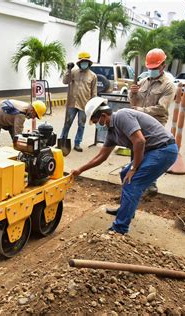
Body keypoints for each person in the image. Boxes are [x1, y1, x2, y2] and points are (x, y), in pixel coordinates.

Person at [70, 97, 178, 234]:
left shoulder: (122, 115)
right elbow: (101, 157)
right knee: (124, 174)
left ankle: (120, 229)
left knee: (132, 182)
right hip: (152, 151)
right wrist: (80, 170)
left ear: (103, 115)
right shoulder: (111, 132)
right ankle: (126, 210)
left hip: (163, 150)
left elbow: (139, 141)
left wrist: (134, 169)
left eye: (96, 121)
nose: (97, 124)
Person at [128, 48, 175, 195]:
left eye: (155, 68)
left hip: (155, 124)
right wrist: (132, 93)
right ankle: (135, 178)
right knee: (136, 149)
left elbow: (161, 108)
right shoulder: (143, 82)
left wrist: (140, 111)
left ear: (163, 66)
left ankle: (151, 185)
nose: (152, 70)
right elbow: (133, 102)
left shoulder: (168, 85)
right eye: (150, 68)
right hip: (138, 123)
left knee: (151, 152)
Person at [58, 51, 97, 153]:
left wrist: (93, 106)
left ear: (89, 63)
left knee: (81, 124)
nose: (84, 63)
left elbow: (94, 92)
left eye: (86, 61)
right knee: (67, 123)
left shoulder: (93, 76)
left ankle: (77, 143)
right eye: (82, 61)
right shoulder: (73, 72)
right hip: (72, 103)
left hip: (84, 104)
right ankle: (62, 140)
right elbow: (65, 81)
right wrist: (68, 70)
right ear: (79, 63)